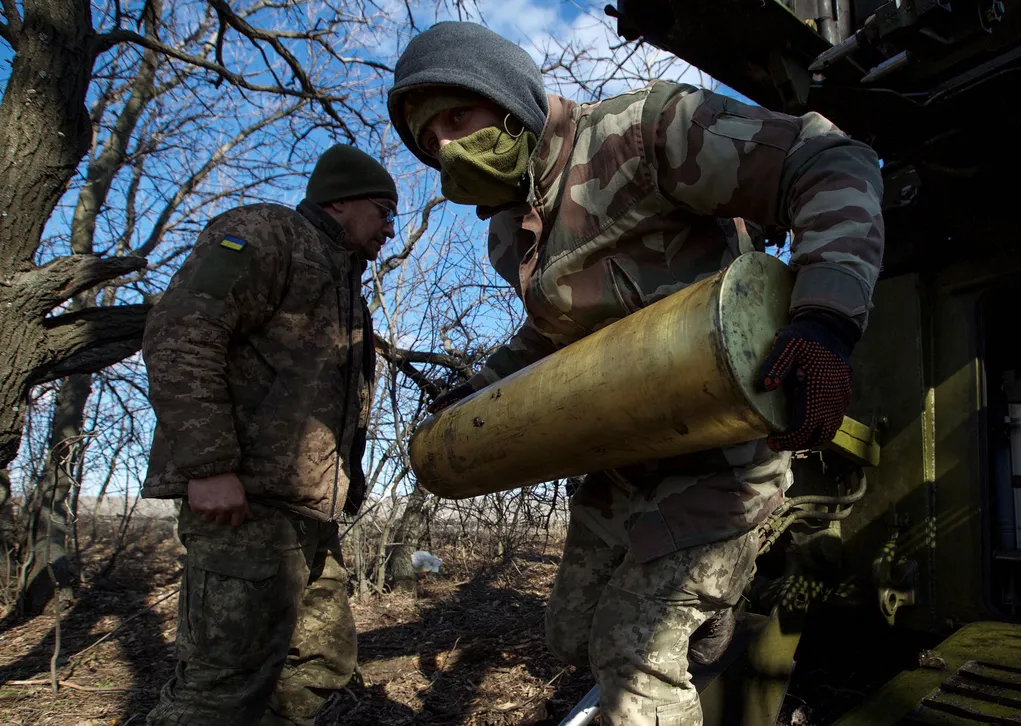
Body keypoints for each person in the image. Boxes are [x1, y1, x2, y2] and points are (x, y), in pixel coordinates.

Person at [387, 21, 884, 725]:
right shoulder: (510, 234)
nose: (443, 146)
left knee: (633, 658)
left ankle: (705, 599)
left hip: (721, 452)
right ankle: (711, 616)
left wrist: (826, 317)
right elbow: (556, 337)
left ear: (507, 101)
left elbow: (830, 159)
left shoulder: (641, 133)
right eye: (427, 138)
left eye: (455, 118)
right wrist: (482, 385)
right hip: (622, 464)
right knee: (569, 637)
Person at [141, 144, 397, 725]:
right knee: (221, 690)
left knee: (318, 664)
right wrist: (209, 466)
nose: (389, 228)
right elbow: (181, 331)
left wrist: (343, 488)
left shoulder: (344, 283)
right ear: (337, 202)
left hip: (306, 516)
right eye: (382, 210)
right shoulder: (264, 234)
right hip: (244, 507)